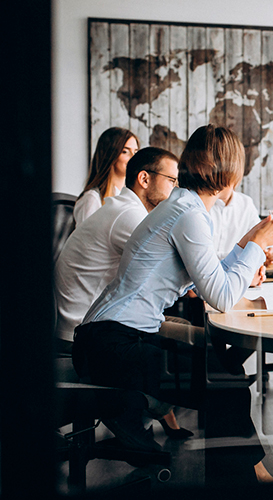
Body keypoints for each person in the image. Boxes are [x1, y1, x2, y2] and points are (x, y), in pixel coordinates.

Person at [72, 124, 273, 483]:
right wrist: (254, 247)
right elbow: (221, 296)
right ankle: (248, 478)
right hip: (110, 344)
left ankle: (250, 474)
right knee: (225, 384)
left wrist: (252, 244)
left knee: (225, 373)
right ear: (230, 174)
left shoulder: (184, 207)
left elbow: (211, 275)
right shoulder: (189, 215)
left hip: (110, 337)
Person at [55, 147, 192, 438]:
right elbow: (176, 265)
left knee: (181, 331)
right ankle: (134, 410)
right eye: (172, 181)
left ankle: (139, 415)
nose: (177, 190)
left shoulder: (121, 208)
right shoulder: (128, 216)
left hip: (93, 322)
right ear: (144, 178)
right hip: (89, 332)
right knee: (183, 345)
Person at [75, 127, 139, 225]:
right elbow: (87, 239)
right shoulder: (92, 199)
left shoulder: (132, 197)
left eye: (135, 152)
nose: (134, 158)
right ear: (110, 155)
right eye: (125, 152)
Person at [210, 183, 273, 264]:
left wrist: (269, 253)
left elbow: (263, 238)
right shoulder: (202, 204)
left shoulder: (246, 203)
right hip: (213, 269)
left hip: (238, 267)